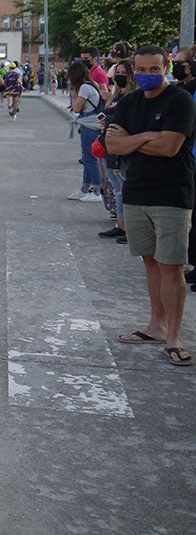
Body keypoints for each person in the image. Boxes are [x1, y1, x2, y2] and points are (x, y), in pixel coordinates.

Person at [105, 46, 196, 367]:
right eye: (141, 69)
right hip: (136, 192)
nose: (147, 75)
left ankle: (174, 337)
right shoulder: (129, 101)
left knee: (171, 266)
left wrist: (134, 139)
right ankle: (155, 326)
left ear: (166, 67)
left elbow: (170, 147)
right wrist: (148, 136)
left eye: (154, 69)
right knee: (150, 262)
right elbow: (112, 143)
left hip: (171, 194)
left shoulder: (179, 100)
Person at [97, 58, 138, 244]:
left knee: (125, 188)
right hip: (109, 143)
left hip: (122, 146)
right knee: (117, 188)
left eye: (124, 73)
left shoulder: (134, 95)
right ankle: (121, 226)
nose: (119, 76)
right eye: (118, 72)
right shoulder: (116, 94)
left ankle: (131, 229)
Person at [67, 59, 104, 202]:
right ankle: (85, 188)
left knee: (90, 159)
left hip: (90, 125)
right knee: (88, 158)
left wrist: (74, 94)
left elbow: (76, 108)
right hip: (91, 123)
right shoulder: (91, 84)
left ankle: (96, 191)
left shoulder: (83, 88)